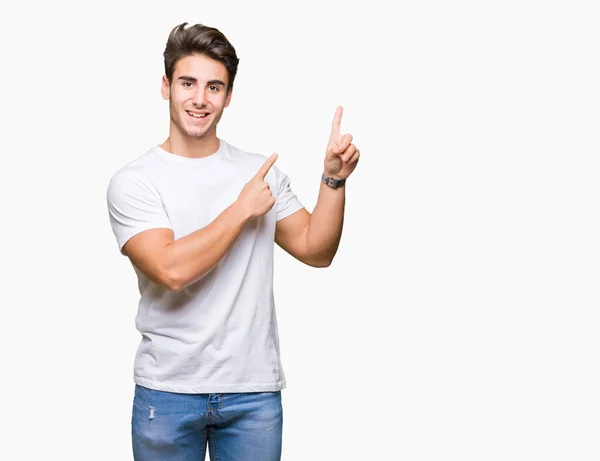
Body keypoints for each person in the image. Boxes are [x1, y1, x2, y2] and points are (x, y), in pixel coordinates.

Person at [106, 21, 360, 461]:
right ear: (166, 86)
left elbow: (316, 250)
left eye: (214, 87)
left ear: (228, 95)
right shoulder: (134, 181)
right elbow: (171, 270)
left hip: (252, 392)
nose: (200, 99)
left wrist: (333, 180)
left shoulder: (260, 172)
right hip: (168, 391)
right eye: (188, 83)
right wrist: (241, 209)